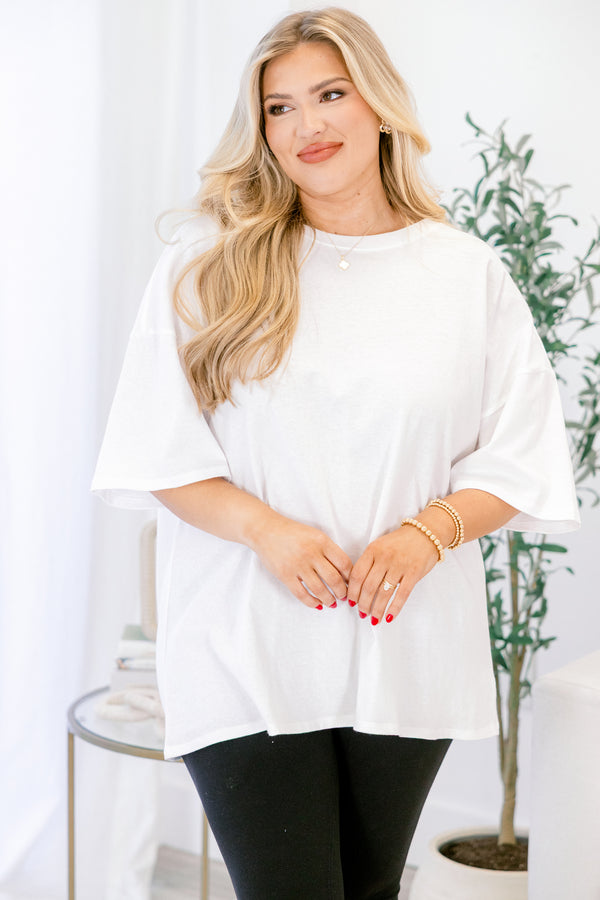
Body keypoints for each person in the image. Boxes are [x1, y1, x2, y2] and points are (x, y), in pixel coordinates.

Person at [92, 7, 579, 898]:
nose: (306, 125)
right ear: (261, 130)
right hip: (244, 638)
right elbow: (157, 450)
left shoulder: (464, 275)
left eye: (329, 94)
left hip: (407, 644)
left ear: (380, 104)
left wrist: (426, 533)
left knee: (367, 889)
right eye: (279, 108)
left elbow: (520, 455)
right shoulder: (210, 266)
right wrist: (268, 531)